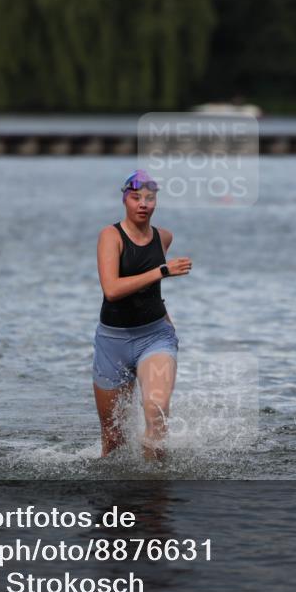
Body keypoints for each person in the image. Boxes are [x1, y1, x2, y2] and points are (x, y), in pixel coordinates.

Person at [93, 170, 192, 460]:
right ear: (125, 200)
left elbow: (151, 289)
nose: (143, 204)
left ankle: (154, 493)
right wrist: (162, 271)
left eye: (149, 198)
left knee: (156, 412)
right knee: (114, 442)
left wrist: (167, 320)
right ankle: (121, 499)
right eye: (136, 197)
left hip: (155, 337)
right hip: (113, 343)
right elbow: (111, 289)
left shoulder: (163, 237)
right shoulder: (111, 236)